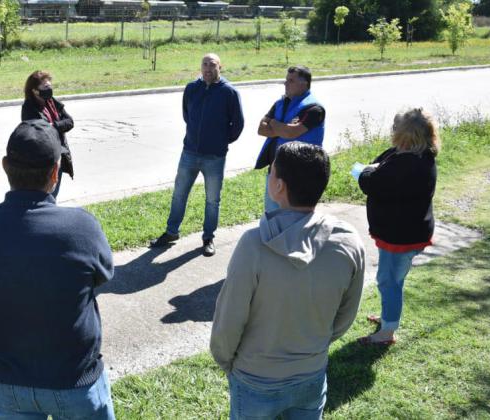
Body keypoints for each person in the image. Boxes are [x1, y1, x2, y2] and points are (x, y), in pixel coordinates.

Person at [0, 120, 116, 420]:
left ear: (5, 166)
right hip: (73, 380)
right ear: (55, 172)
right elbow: (103, 275)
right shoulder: (81, 227)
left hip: (5, 382)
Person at [210, 142, 365, 419]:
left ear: (279, 186)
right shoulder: (349, 242)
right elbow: (345, 316)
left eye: (270, 172)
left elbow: (228, 320)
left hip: (255, 378)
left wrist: (227, 362)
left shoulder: (253, 245)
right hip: (312, 373)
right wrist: (314, 347)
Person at [356, 108, 440, 345]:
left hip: (401, 236)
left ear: (406, 135)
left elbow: (372, 182)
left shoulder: (409, 166)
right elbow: (378, 163)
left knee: (388, 281)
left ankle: (387, 333)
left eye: (395, 128)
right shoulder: (415, 156)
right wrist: (372, 169)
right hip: (406, 232)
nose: (392, 132)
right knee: (393, 278)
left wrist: (364, 174)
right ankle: (388, 317)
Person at [150, 53, 245, 256]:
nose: (208, 69)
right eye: (204, 64)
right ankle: (171, 232)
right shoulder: (192, 88)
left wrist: (220, 142)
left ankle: (208, 237)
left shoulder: (229, 92)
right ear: (200, 67)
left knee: (212, 200)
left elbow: (237, 125)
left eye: (212, 65)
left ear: (221, 67)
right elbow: (187, 115)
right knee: (179, 195)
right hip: (189, 153)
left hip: (215, 157)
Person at [256, 65, 325, 213]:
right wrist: (282, 128)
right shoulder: (280, 103)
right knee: (272, 214)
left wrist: (273, 123)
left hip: (301, 172)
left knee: (296, 217)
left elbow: (290, 133)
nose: (286, 84)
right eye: (286, 80)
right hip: (276, 169)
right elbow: (261, 130)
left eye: (291, 80)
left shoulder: (314, 109)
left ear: (305, 83)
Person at [21, 70, 74, 198]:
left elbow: (70, 121)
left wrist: (53, 126)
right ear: (34, 90)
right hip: (42, 159)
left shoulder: (52, 102)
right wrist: (56, 127)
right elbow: (38, 132)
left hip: (59, 154)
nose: (49, 89)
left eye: (50, 86)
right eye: (45, 87)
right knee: (44, 197)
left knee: (53, 196)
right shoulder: (29, 107)